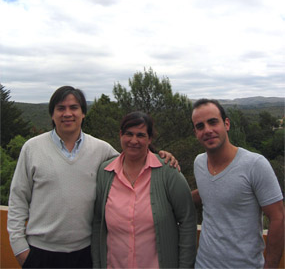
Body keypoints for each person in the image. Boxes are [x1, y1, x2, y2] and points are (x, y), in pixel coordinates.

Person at [7, 86, 178, 269]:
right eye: (60, 108)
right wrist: (20, 249)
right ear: (52, 114)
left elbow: (132, 159)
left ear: (83, 113)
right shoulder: (32, 148)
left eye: (74, 108)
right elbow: (18, 199)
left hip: (85, 254)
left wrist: (161, 156)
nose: (67, 113)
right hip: (40, 253)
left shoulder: (101, 149)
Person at [92, 111, 197, 268]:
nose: (134, 140)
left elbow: (187, 220)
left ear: (149, 139)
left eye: (140, 135)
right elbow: (98, 222)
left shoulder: (168, 172)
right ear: (120, 135)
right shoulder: (105, 172)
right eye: (129, 134)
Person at [191, 98, 284, 269]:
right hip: (203, 264)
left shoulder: (255, 165)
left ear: (226, 124)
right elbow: (209, 192)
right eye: (200, 126)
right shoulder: (199, 163)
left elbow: (278, 217)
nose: (208, 130)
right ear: (196, 132)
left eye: (213, 122)